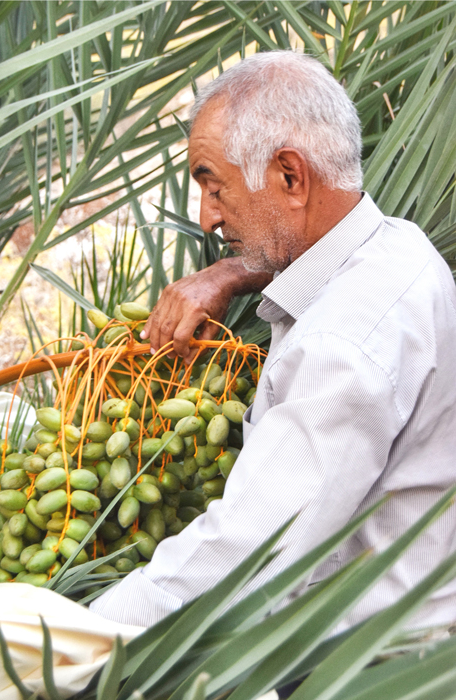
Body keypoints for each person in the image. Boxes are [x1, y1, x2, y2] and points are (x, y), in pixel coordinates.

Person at [91, 50, 456, 631]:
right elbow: (323, 254)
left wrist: (73, 636)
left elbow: (245, 556)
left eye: (213, 185)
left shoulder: (343, 344)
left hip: (356, 665)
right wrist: (230, 273)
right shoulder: (399, 249)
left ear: (291, 175)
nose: (207, 218)